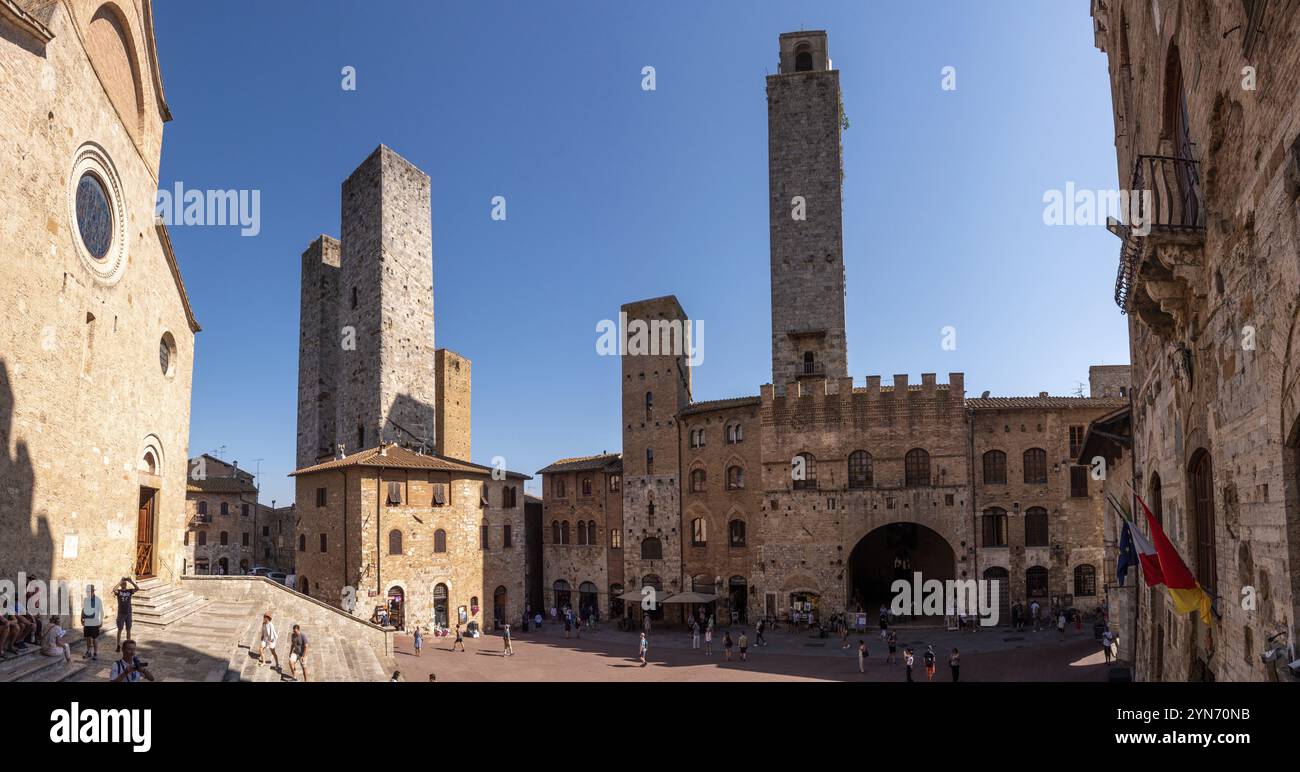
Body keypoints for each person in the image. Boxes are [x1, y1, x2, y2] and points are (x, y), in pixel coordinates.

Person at [113, 577, 139, 652]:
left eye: (125, 583)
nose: (124, 584)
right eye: (123, 583)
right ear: (121, 585)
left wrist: (131, 581)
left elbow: (137, 588)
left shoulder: (129, 591)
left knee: (128, 629)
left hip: (128, 613)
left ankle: (128, 646)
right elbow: (114, 589)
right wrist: (120, 582)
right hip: (121, 613)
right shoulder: (119, 591)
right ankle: (118, 645)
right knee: (120, 629)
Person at [80, 584, 102, 660]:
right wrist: (81, 618)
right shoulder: (86, 599)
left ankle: (95, 652)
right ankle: (88, 651)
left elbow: (101, 611)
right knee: (87, 638)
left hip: (94, 621)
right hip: (87, 621)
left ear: (92, 591)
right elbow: (83, 609)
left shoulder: (98, 600)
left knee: (94, 638)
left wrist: (101, 621)